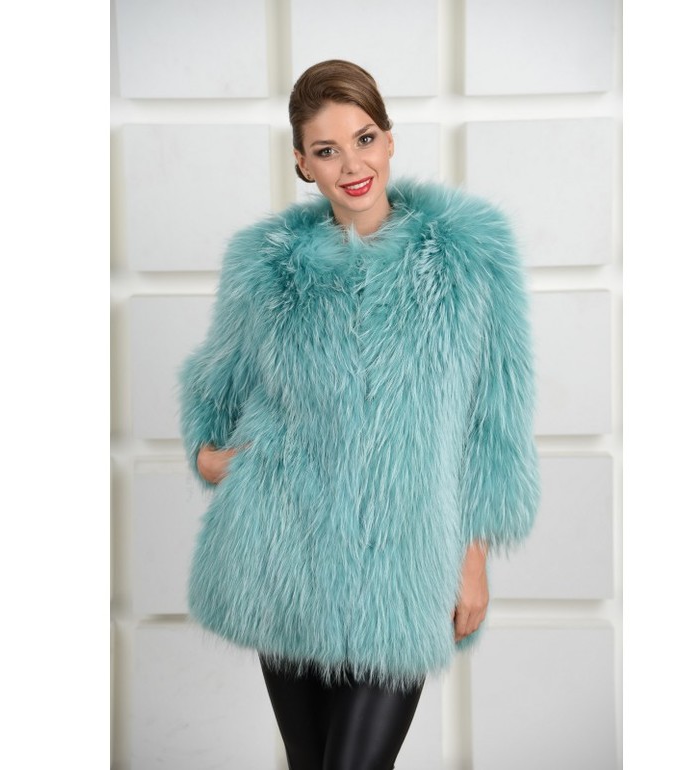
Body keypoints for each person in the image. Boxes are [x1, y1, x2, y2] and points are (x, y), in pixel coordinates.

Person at [179, 59, 540, 770]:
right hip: (285, 558)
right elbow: (213, 386)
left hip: (405, 568)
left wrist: (472, 559)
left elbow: (495, 420)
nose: (352, 165)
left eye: (365, 138)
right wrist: (209, 456)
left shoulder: (470, 253)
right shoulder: (267, 264)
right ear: (301, 162)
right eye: (327, 150)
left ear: (390, 139)